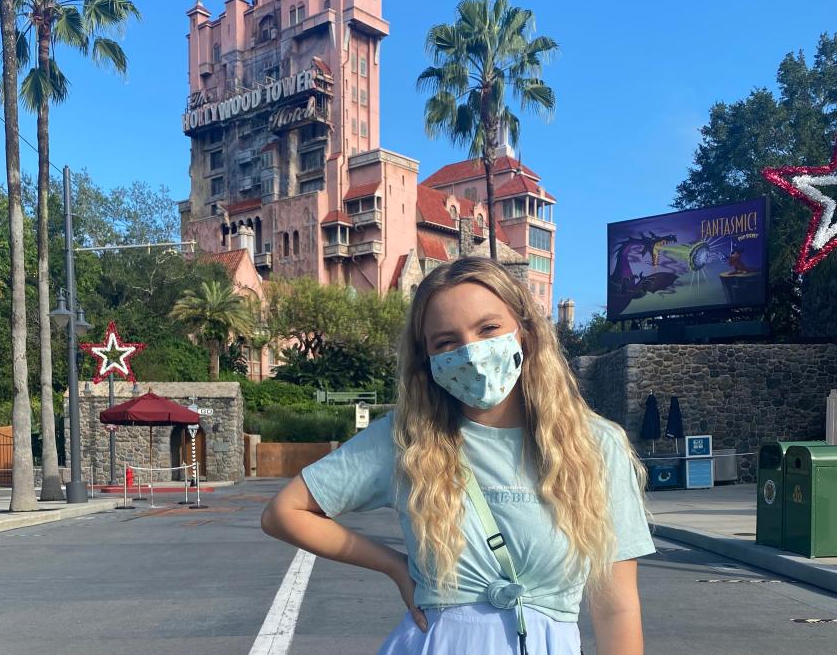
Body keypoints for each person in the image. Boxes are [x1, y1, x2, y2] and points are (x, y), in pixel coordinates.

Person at [261, 257, 655, 654]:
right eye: (446, 342)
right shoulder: (407, 439)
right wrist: (395, 566)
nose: (472, 353)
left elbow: (616, 609)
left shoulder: (595, 445)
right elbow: (284, 513)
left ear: (525, 332)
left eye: (488, 329)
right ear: (427, 360)